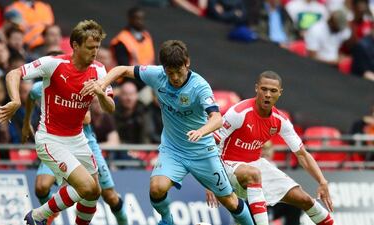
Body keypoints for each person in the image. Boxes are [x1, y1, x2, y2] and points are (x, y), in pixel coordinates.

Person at [83, 40, 254, 225]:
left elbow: (216, 119)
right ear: (163, 68)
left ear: (187, 63)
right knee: (156, 188)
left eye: (178, 72)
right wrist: (101, 83)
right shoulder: (156, 75)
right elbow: (122, 69)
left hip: (202, 151)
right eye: (170, 73)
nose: (175, 78)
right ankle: (167, 221)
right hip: (173, 150)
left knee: (229, 200)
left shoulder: (199, 86)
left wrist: (201, 131)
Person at [0, 19, 114, 225]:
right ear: (75, 45)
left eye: (97, 48)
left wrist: (101, 93)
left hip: (78, 139)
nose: (94, 52)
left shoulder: (99, 70)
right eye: (90, 47)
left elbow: (110, 107)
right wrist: (15, 100)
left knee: (94, 192)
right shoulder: (55, 64)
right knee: (86, 188)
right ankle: (38, 215)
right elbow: (14, 73)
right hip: (51, 139)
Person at [207, 71, 335, 225]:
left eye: (273, 91)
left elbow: (302, 154)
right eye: (264, 89)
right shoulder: (239, 112)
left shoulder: (279, 120)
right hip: (226, 164)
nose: (268, 94)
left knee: (305, 200)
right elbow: (211, 144)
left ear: (280, 93)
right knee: (254, 174)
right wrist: (212, 180)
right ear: (257, 88)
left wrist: (322, 181)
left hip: (254, 164)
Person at [22, 81, 128, 225]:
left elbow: (87, 118)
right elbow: (31, 96)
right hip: (56, 143)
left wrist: (56, 108)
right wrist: (26, 121)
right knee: (41, 186)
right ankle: (48, 215)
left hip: (85, 144)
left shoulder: (77, 82)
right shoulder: (39, 87)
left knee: (109, 196)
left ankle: (124, 222)